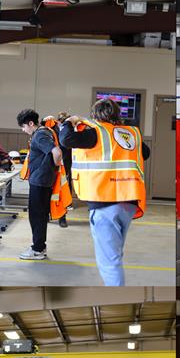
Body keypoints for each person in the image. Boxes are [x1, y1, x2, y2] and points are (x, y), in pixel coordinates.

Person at [59, 99, 150, 286]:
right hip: (128, 202)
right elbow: (145, 153)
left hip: (105, 203)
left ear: (95, 115)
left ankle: (116, 302)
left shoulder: (96, 133)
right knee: (115, 254)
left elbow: (66, 140)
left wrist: (70, 121)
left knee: (110, 263)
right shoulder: (131, 133)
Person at [16, 109, 58, 261]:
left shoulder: (40, 135)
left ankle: (38, 249)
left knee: (37, 216)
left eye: (23, 126)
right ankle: (39, 246)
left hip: (40, 181)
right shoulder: (43, 132)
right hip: (41, 179)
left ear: (31, 123)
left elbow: (56, 152)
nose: (23, 130)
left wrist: (51, 169)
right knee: (38, 215)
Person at [56, 111, 74, 228]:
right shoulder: (53, 131)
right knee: (52, 193)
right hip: (54, 165)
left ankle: (62, 217)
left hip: (65, 167)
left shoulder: (70, 131)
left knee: (64, 193)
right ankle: (49, 214)